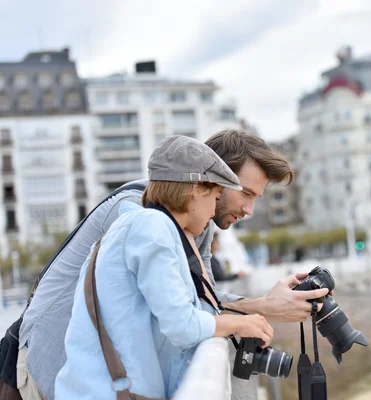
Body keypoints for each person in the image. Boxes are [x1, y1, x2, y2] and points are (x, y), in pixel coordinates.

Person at [18, 130, 328, 400]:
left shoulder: (193, 226)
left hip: (102, 380)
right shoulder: (140, 214)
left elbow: (200, 302)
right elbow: (182, 316)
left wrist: (265, 304)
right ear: (208, 177)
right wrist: (259, 310)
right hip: (48, 371)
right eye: (244, 193)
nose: (249, 209)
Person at [54, 136, 273, 399]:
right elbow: (182, 325)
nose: (214, 209)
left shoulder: (140, 225)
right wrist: (238, 324)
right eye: (215, 196)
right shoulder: (152, 228)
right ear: (196, 189)